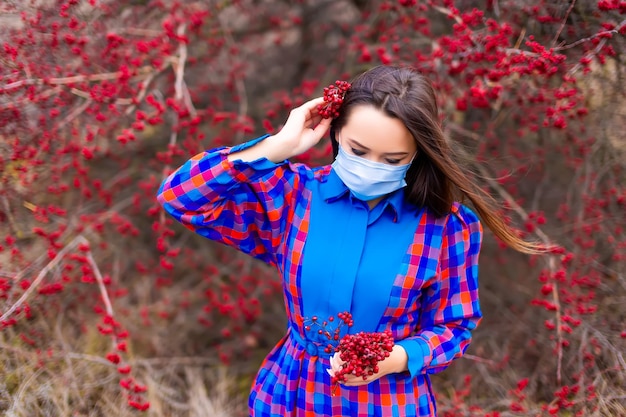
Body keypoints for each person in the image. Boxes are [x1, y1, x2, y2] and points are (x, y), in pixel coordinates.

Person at [156, 65, 542, 417]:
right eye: (358, 151)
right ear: (336, 131)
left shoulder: (448, 228)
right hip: (289, 394)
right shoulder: (293, 196)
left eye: (392, 159)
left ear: (417, 155)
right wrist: (276, 147)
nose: (372, 166)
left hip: (384, 403)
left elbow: (454, 327)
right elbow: (181, 198)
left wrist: (395, 358)